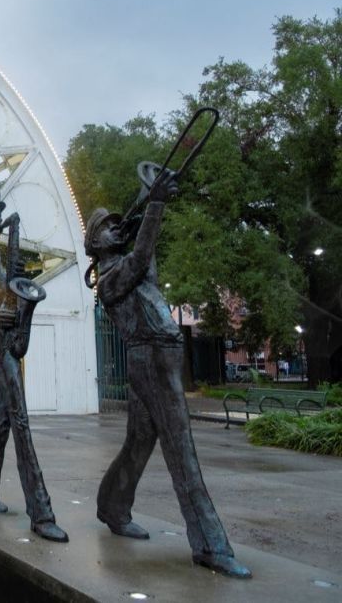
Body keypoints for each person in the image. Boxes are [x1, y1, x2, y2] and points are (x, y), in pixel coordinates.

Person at [87, 169, 250, 578]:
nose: (114, 229)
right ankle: (210, 544)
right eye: (106, 228)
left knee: (139, 443)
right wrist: (155, 204)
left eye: (115, 224)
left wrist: (147, 203)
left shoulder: (129, 266)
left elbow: (147, 262)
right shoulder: (108, 280)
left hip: (162, 354)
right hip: (151, 358)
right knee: (181, 450)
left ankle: (112, 505)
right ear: (93, 243)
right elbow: (140, 260)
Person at [0, 185, 67, 542]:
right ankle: (40, 512)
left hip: (8, 333)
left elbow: (9, 284)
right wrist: (0, 310)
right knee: (20, 417)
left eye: (1, 214)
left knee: (2, 417)